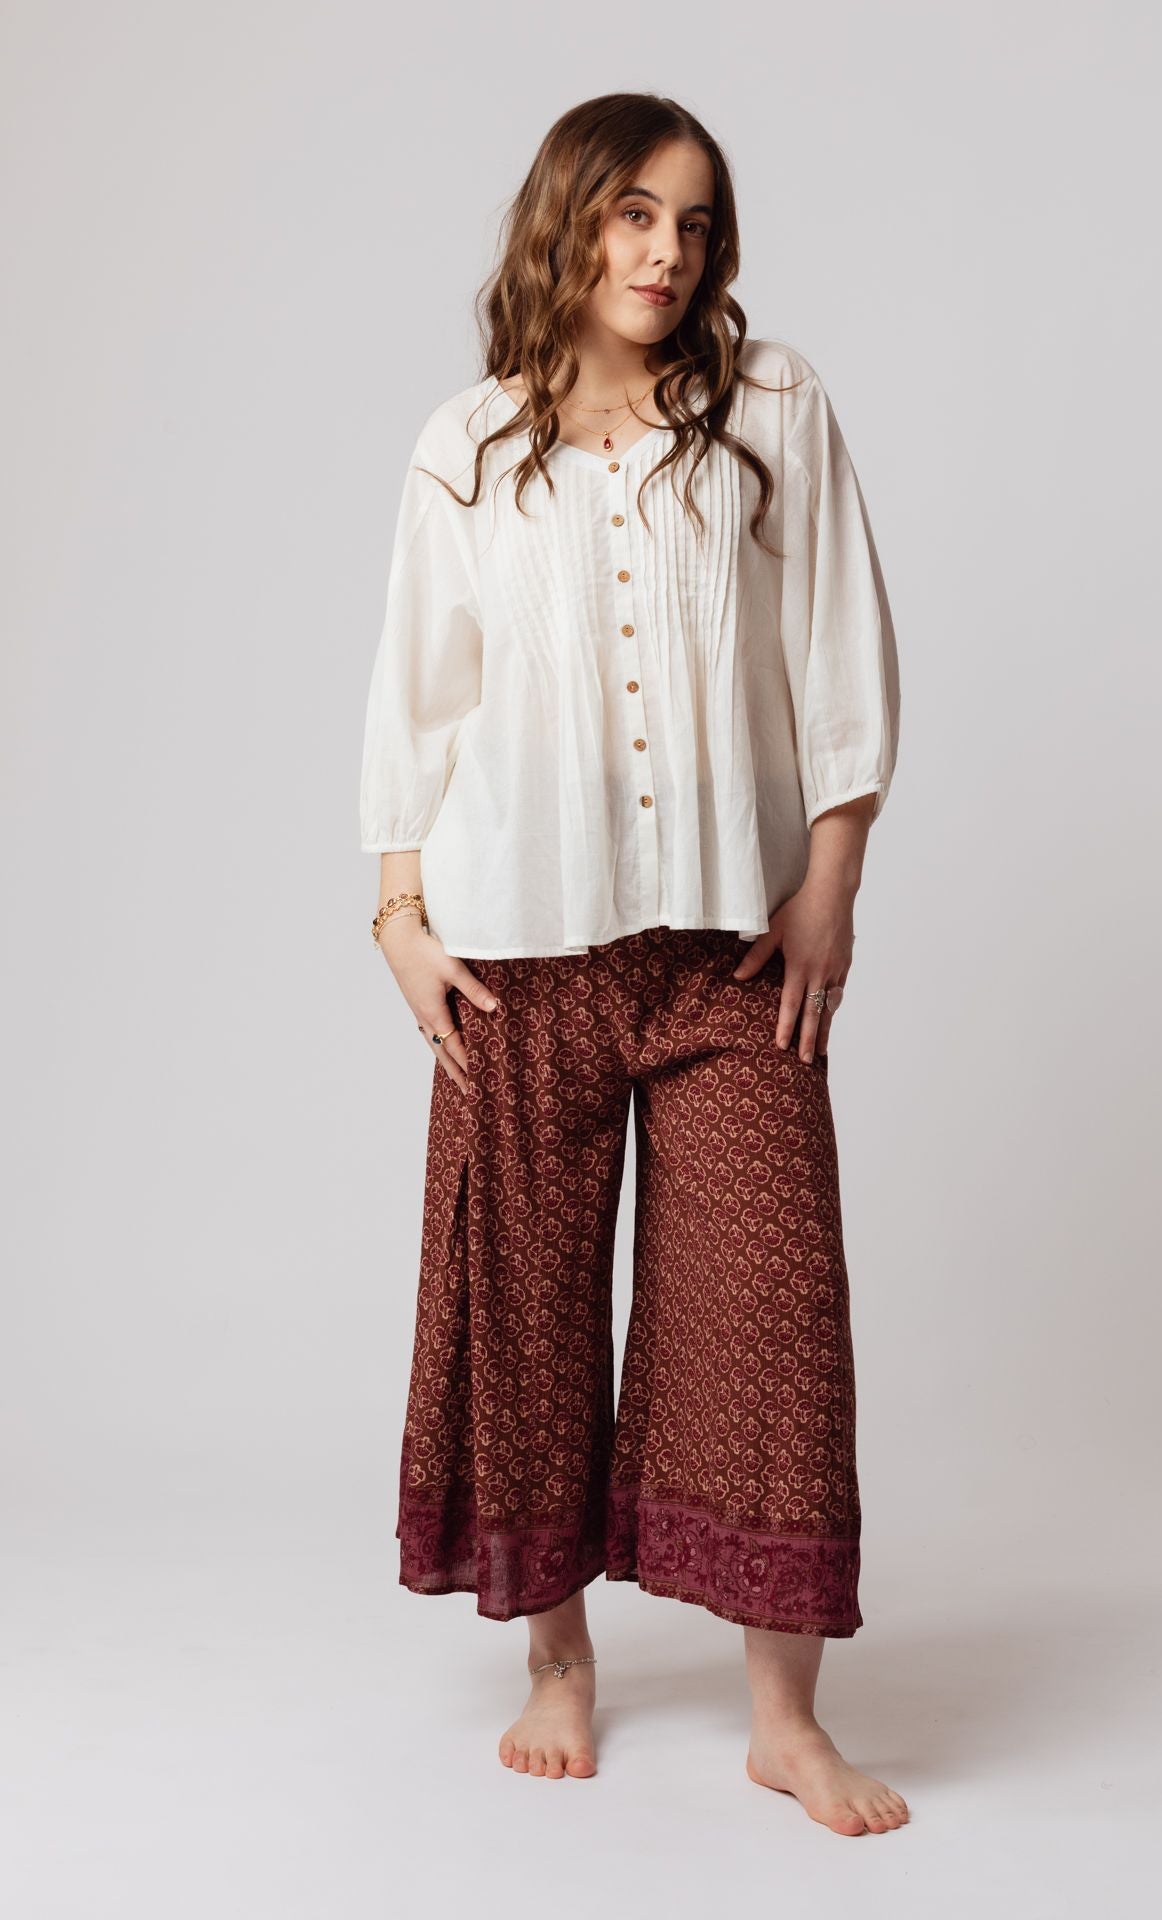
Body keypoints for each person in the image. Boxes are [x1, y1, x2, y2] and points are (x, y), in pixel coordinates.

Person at [359, 92, 907, 1839]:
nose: (667, 253)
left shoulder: (772, 409)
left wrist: (832, 885)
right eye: (633, 215)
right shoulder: (468, 447)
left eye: (694, 222)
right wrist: (397, 919)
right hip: (517, 948)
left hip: (729, 953)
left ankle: (784, 1721)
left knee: (774, 1319)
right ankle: (557, 1666)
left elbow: (841, 650)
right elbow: (417, 701)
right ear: (569, 222)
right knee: (522, 1312)